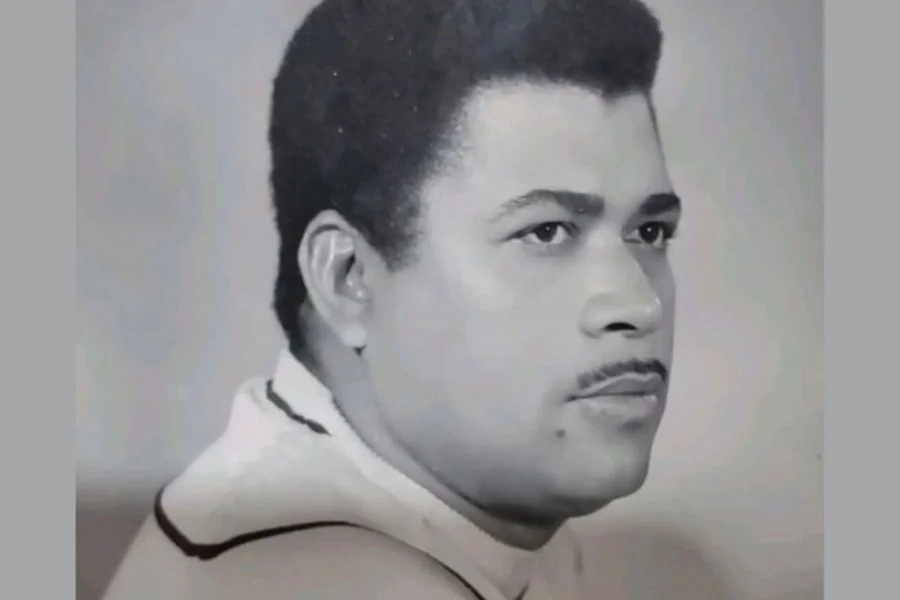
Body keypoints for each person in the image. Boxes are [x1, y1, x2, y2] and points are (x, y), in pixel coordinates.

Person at [102, 0, 681, 598]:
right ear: (347, 277)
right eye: (546, 232)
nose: (639, 304)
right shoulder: (323, 577)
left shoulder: (474, 525)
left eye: (649, 232)